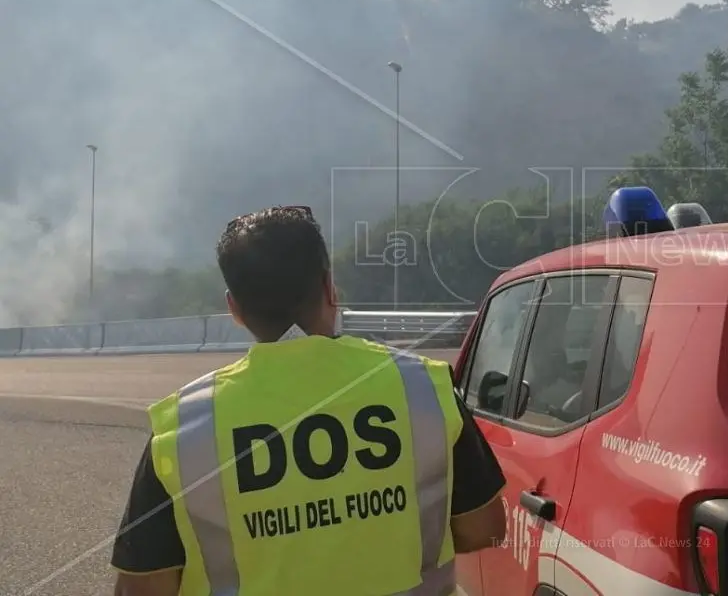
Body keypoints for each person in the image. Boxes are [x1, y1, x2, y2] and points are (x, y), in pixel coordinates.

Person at [110, 205, 506, 596]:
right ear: (330, 288)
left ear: (234, 309)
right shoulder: (421, 387)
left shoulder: (185, 428)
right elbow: (483, 527)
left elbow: (144, 586)